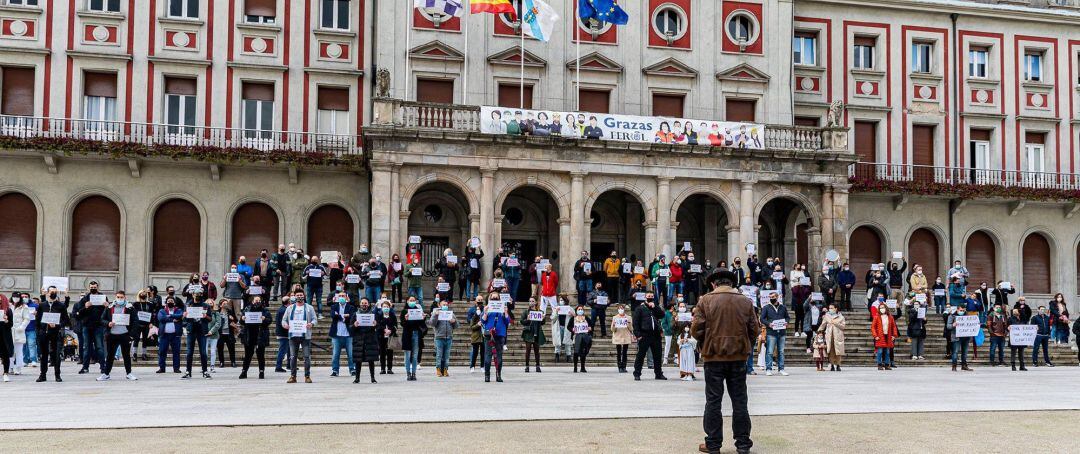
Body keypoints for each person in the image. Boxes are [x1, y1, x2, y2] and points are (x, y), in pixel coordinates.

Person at [692, 270, 758, 454]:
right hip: (738, 357)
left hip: (714, 357)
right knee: (740, 401)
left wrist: (707, 342)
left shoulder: (705, 300)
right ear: (732, 284)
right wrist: (744, 345)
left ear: (714, 284)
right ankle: (743, 444)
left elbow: (696, 329)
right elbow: (754, 329)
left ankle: (713, 444)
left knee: (713, 401)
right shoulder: (745, 301)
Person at [97, 291, 138, 381]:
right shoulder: (109, 307)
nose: (120, 299)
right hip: (112, 335)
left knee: (126, 355)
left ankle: (129, 373)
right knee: (110, 356)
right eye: (118, 297)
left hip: (125, 334)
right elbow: (102, 319)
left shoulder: (130, 307)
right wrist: (108, 323)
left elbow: (135, 321)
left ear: (125, 297)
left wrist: (131, 335)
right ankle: (106, 374)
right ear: (115, 297)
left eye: (121, 297)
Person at [35, 287, 69, 382]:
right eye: (51, 291)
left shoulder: (61, 306)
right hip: (43, 333)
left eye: (54, 291)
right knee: (43, 354)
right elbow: (38, 319)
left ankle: (57, 375)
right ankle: (43, 375)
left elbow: (66, 320)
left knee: (56, 354)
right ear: (48, 293)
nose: (52, 293)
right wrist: (39, 331)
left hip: (56, 333)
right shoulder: (42, 305)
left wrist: (57, 324)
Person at [283, 292, 317, 383]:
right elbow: (284, 320)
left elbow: (315, 319)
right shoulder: (290, 308)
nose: (299, 297)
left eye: (301, 295)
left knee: (306, 357)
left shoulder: (309, 307)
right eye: (297, 295)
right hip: (293, 335)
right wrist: (285, 325)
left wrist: (311, 323)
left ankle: (307, 376)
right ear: (294, 297)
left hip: (305, 336)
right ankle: (293, 376)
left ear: (304, 296)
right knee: (293, 357)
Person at [75, 282, 107, 375]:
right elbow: (78, 313)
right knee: (86, 347)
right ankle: (85, 367)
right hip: (87, 326)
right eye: (91, 287)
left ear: (98, 287)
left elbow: (107, 312)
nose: (93, 288)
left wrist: (106, 306)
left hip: (98, 326)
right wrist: (85, 307)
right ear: (89, 288)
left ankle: (103, 367)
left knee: (100, 347)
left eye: (94, 287)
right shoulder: (85, 299)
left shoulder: (103, 297)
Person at [632, 294, 667, 381]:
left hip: (655, 335)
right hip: (644, 334)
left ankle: (658, 374)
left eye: (652, 296)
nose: (650, 297)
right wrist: (638, 335)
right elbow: (635, 322)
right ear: (645, 297)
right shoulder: (640, 308)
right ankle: (637, 373)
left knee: (657, 355)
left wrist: (655, 307)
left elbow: (662, 315)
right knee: (641, 355)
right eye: (649, 296)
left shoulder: (655, 307)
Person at [239, 296, 271, 379]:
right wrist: (242, 318)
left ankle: (261, 372)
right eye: (256, 300)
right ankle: (244, 371)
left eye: (259, 300)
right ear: (252, 301)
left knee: (260, 355)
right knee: (248, 355)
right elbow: (241, 321)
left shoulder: (265, 310)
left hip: (260, 334)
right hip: (249, 334)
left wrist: (265, 319)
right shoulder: (247, 309)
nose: (258, 302)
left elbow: (269, 320)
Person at [350, 298, 380, 384]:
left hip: (370, 339)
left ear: (369, 304)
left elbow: (379, 327)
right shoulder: (355, 314)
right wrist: (354, 325)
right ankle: (357, 378)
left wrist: (376, 324)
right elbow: (350, 328)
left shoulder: (373, 314)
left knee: (371, 360)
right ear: (359, 304)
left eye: (366, 303)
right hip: (359, 339)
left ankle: (373, 378)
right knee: (358, 361)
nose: (364, 304)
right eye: (362, 303)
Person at [481, 293, 510, 382]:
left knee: (499, 356)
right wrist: (485, 312)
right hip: (489, 334)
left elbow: (507, 321)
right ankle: (487, 376)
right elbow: (483, 320)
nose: (494, 298)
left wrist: (505, 312)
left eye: (496, 297)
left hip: (500, 334)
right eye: (493, 297)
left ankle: (498, 375)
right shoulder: (487, 308)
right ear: (490, 298)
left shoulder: (502, 308)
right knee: (488, 356)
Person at [183, 294, 212, 380]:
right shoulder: (188, 305)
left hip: (201, 331)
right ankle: (188, 372)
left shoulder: (206, 306)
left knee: (203, 352)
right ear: (193, 294)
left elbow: (210, 319)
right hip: (191, 331)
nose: (198, 295)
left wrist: (205, 316)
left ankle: (205, 372)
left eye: (199, 293)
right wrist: (184, 315)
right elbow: (184, 320)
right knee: (189, 353)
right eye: (196, 293)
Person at [759, 293, 789, 376]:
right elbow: (762, 318)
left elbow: (787, 317)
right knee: (769, 351)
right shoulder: (766, 307)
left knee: (781, 351)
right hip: (771, 332)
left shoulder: (783, 307)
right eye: (770, 297)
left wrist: (787, 322)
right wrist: (769, 324)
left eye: (773, 297)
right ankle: (768, 369)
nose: (771, 298)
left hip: (782, 332)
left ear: (777, 297)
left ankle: (781, 368)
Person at [428, 298, 458, 377]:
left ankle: (445, 369)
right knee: (439, 355)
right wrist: (435, 315)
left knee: (447, 355)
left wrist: (454, 321)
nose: (445, 306)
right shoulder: (436, 313)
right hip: (439, 337)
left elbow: (457, 326)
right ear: (439, 305)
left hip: (448, 337)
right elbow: (431, 323)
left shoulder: (451, 314)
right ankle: (438, 369)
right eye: (443, 305)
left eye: (446, 305)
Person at [328, 293, 356, 377]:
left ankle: (352, 369)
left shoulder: (351, 307)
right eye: (339, 296)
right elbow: (333, 316)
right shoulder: (334, 306)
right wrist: (344, 316)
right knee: (335, 354)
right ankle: (335, 370)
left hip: (348, 334)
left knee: (350, 354)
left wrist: (339, 316)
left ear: (347, 297)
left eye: (343, 296)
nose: (341, 298)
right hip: (336, 334)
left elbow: (352, 317)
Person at [400, 296, 425, 381]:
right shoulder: (404, 311)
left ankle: (414, 373)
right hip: (407, 334)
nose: (412, 302)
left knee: (415, 355)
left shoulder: (418, 311)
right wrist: (406, 319)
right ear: (407, 301)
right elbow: (402, 324)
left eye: (414, 300)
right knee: (407, 355)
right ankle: (408, 373)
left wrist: (423, 318)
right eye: (411, 300)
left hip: (416, 334)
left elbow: (421, 324)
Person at [156, 297, 183, 373]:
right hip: (164, 335)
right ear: (166, 303)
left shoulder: (178, 310)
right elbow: (161, 318)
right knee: (162, 351)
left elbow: (180, 316)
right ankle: (162, 368)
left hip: (175, 335)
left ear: (174, 303)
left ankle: (176, 368)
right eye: (168, 301)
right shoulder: (162, 310)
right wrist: (173, 319)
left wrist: (169, 316)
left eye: (171, 301)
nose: (170, 302)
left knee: (176, 352)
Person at [817, 303, 846, 371]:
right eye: (829, 308)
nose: (830, 309)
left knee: (838, 351)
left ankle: (838, 365)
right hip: (829, 335)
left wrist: (835, 323)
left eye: (832, 308)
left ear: (836, 309)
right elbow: (823, 325)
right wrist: (818, 332)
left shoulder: (841, 317)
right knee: (830, 350)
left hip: (838, 336)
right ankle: (832, 364)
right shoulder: (827, 316)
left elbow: (843, 326)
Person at [520, 299, 546, 373]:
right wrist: (527, 319)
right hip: (529, 332)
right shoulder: (526, 312)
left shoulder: (540, 312)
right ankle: (527, 366)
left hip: (537, 332)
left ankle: (537, 366)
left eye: (532, 301)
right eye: (530, 301)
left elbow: (543, 323)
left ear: (535, 302)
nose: (531, 302)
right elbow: (522, 321)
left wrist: (543, 318)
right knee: (528, 350)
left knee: (536, 350)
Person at [871, 303, 898, 370]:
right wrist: (875, 335)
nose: (882, 309)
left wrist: (894, 335)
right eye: (880, 308)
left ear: (886, 308)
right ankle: (879, 364)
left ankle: (886, 364)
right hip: (880, 336)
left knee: (887, 351)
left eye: (883, 307)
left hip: (888, 335)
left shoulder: (890, 317)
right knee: (880, 351)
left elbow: (894, 327)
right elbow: (873, 327)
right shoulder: (876, 317)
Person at [10, 294, 30, 376]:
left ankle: (18, 368)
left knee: (18, 350)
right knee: (9, 350)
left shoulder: (24, 307)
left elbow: (27, 318)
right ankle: (10, 367)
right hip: (9, 330)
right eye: (14, 297)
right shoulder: (8, 306)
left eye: (17, 297)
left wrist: (22, 327)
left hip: (19, 330)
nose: (15, 298)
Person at [948, 305, 973, 372]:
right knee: (955, 352)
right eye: (961, 310)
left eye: (963, 310)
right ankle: (954, 366)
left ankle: (964, 366)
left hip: (965, 337)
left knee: (965, 352)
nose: (962, 312)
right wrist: (953, 325)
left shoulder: (967, 317)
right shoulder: (952, 316)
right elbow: (948, 326)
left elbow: (971, 325)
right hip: (956, 337)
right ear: (957, 310)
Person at [376, 300, 398, 375]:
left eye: (387, 307)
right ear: (381, 308)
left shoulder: (392, 315)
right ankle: (382, 368)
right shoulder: (378, 315)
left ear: (389, 307)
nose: (386, 308)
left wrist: (390, 330)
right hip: (381, 336)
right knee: (382, 353)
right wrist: (384, 329)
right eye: (384, 307)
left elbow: (396, 326)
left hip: (390, 336)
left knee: (390, 353)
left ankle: (389, 368)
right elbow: (377, 325)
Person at [571, 305, 594, 373]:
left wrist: (590, 328)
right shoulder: (573, 318)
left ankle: (582, 367)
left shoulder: (586, 318)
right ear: (576, 310)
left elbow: (591, 325)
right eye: (579, 309)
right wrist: (572, 329)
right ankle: (575, 367)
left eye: (581, 309)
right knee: (576, 352)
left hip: (584, 336)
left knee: (583, 352)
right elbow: (569, 326)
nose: (580, 310)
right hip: (577, 336)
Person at [611, 304, 632, 373]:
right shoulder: (615, 317)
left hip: (626, 336)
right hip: (618, 336)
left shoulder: (628, 317)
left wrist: (629, 324)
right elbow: (612, 330)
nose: (621, 310)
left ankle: (624, 366)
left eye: (622, 308)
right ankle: (620, 366)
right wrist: (614, 325)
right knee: (619, 352)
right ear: (617, 309)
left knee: (625, 352)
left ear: (624, 309)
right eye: (619, 308)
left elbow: (631, 329)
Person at [551, 296, 573, 362]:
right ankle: (557, 355)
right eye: (560, 300)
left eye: (562, 300)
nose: (561, 301)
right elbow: (553, 319)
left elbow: (574, 318)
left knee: (567, 342)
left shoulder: (570, 308)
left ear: (565, 301)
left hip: (567, 328)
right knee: (558, 342)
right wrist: (556, 312)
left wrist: (572, 314)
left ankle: (568, 355)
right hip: (559, 327)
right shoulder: (556, 308)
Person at [273, 296, 292, 373]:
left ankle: (289, 365)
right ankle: (278, 367)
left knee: (288, 350)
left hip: (284, 333)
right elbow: (283, 323)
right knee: (282, 350)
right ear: (288, 302)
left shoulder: (283, 309)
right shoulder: (283, 310)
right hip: (283, 333)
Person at [205, 300, 224, 373]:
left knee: (213, 352)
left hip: (214, 335)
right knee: (205, 352)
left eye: (211, 303)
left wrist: (211, 331)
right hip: (205, 335)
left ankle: (212, 366)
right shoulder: (203, 313)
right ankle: (205, 366)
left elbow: (218, 323)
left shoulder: (216, 313)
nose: (210, 305)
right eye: (208, 303)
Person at [0, 296, 12, 382]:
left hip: (4, 336)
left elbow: (11, 324)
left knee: (5, 354)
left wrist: (6, 321)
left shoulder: (8, 310)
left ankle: (5, 373)